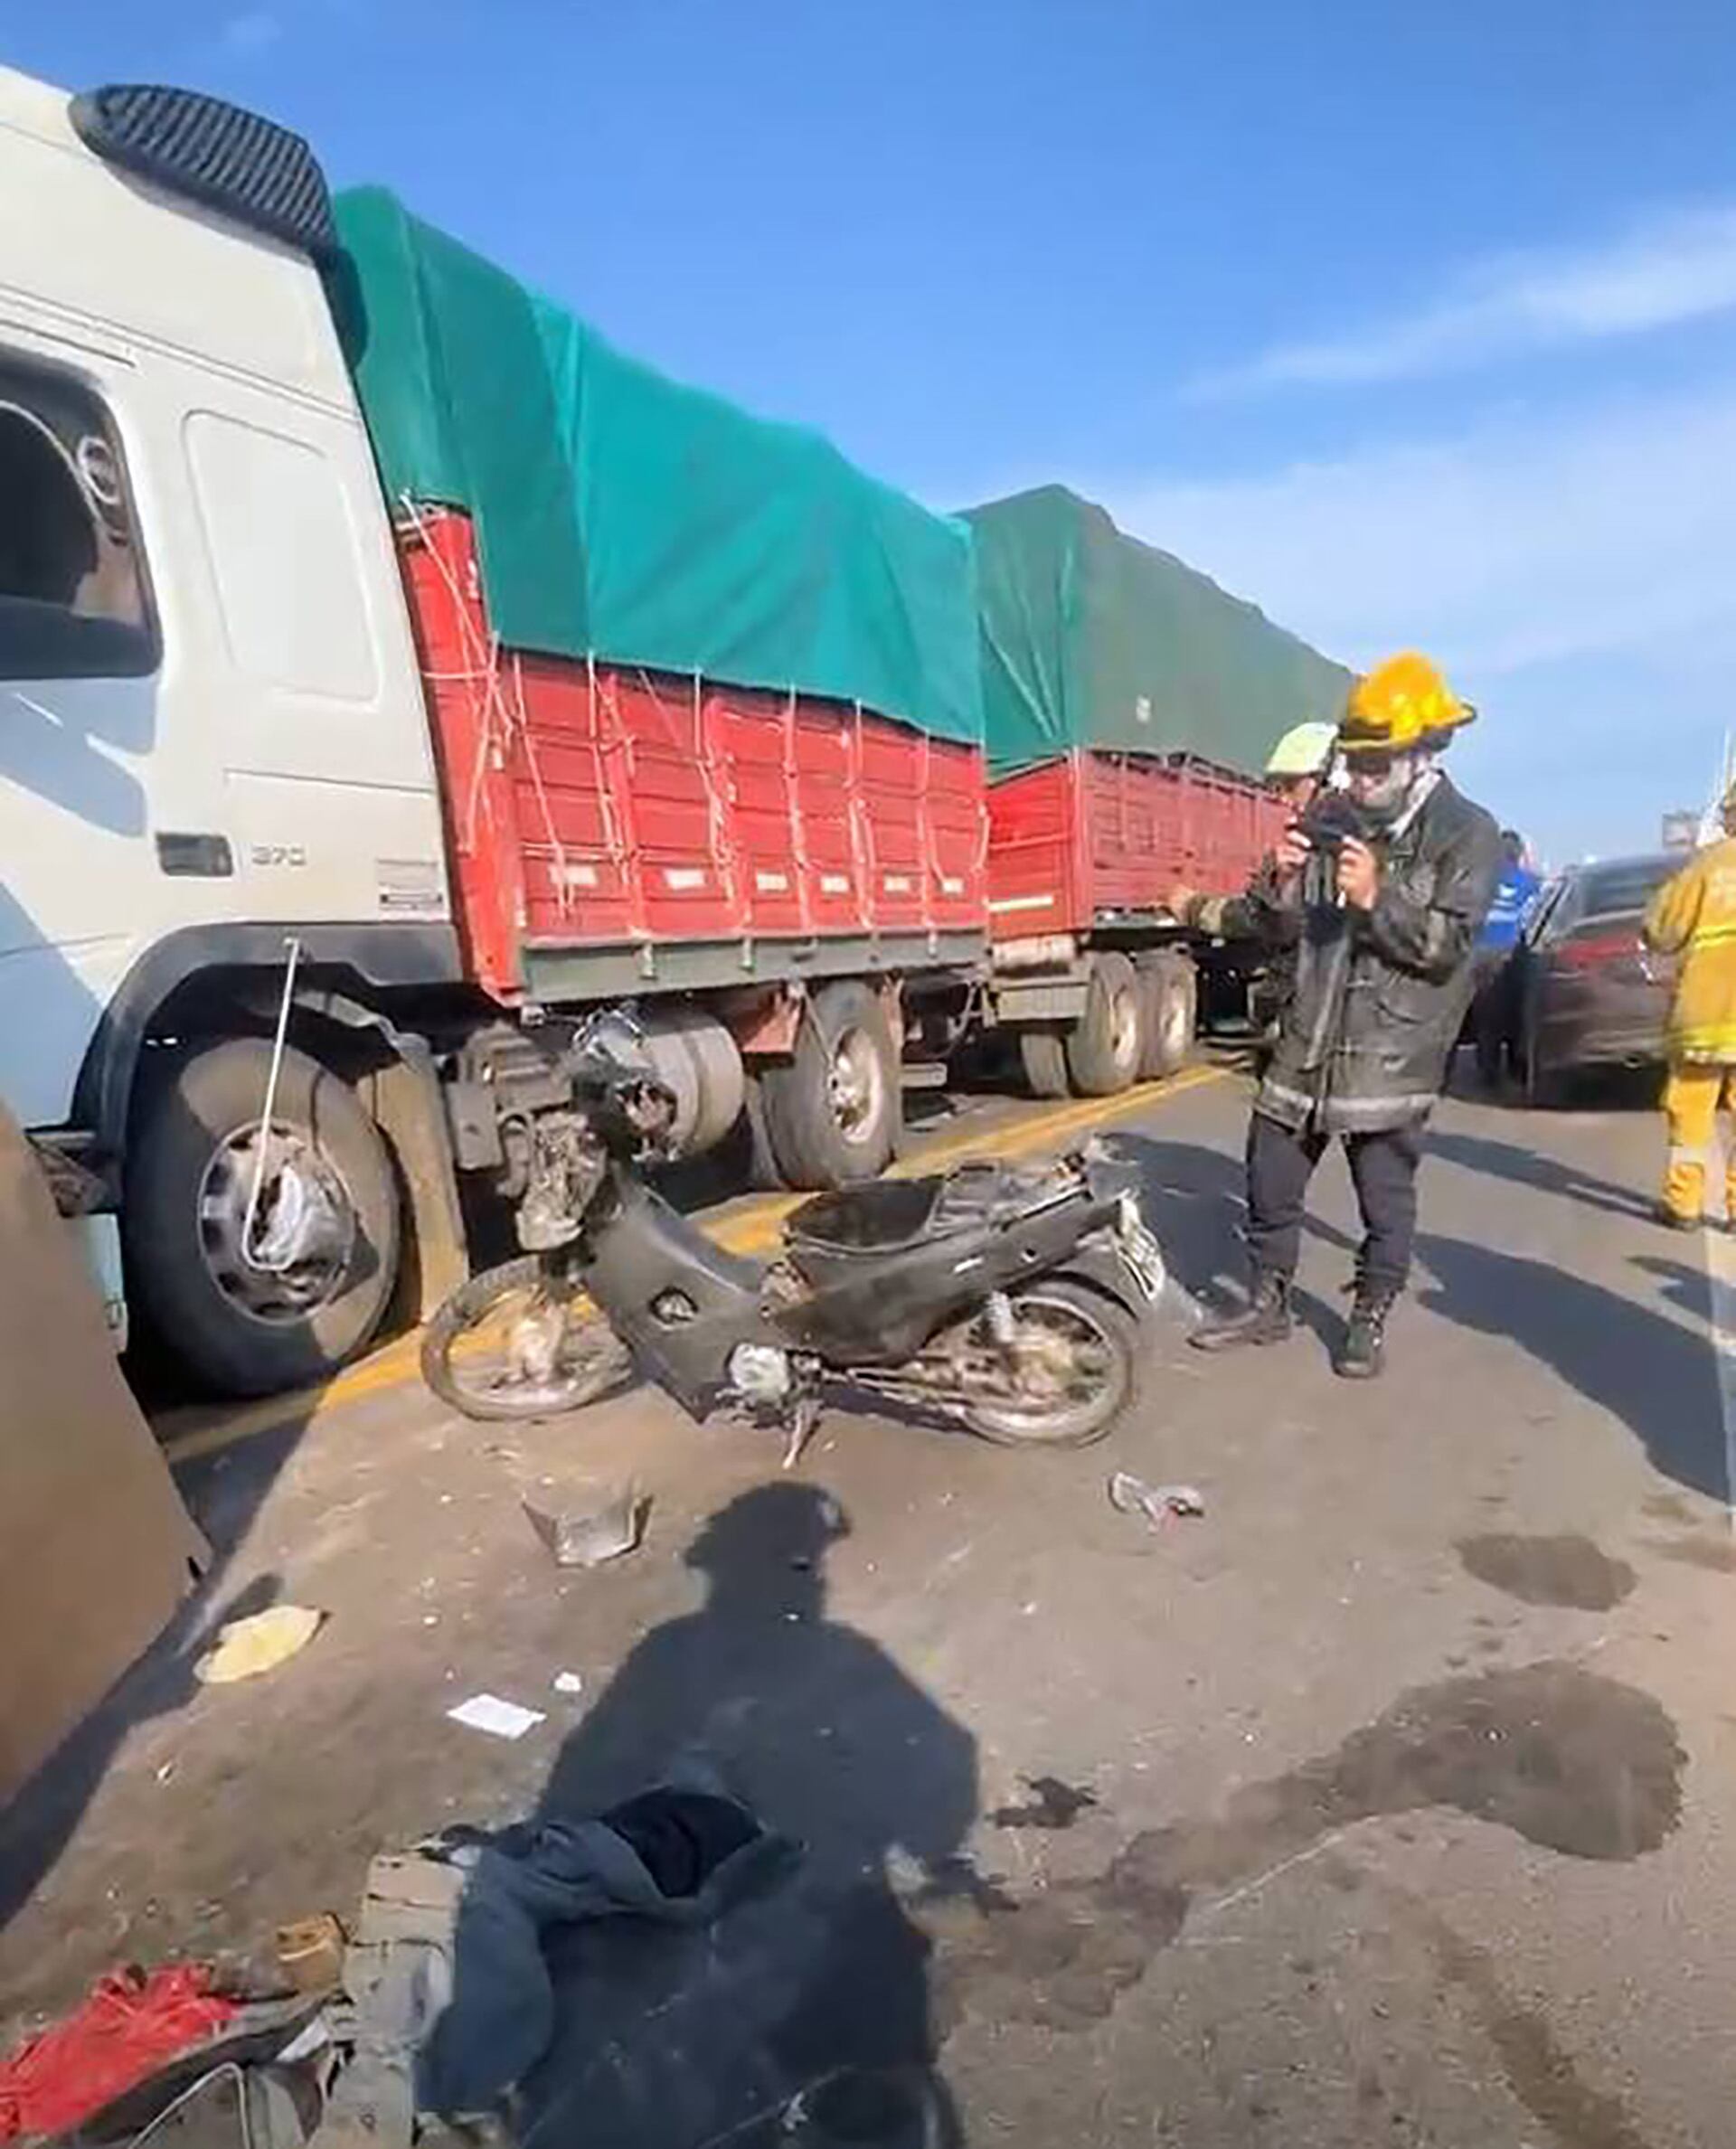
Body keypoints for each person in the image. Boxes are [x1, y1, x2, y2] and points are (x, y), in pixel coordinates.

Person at [1192, 652, 1502, 1379]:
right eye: (1354, 763)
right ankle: (1267, 1303)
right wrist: (1283, 880)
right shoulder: (1332, 817)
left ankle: (1368, 1318)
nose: (1360, 780)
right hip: (1306, 1037)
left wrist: (1378, 898)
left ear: (1422, 756)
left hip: (1390, 1055)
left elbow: (1450, 948)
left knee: (1384, 1202)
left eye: (1377, 765)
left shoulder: (1467, 833)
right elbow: (1277, 928)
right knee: (1270, 1177)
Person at [1169, 719, 1337, 1052]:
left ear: (1326, 779)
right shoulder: (1345, 841)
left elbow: (1265, 922)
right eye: (1278, 788)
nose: (1285, 799)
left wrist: (1193, 908)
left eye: (1291, 786)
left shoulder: (1323, 851)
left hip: (1316, 1024)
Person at [1642, 784, 1736, 1230]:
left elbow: (1662, 928)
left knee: (1691, 1109)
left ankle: (1683, 1204)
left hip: (1706, 1014)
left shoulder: (1708, 868)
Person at [1469, 829, 1541, 1087]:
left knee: (1488, 1017)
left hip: (1479, 952)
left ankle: (1488, 1072)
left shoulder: (1480, 880)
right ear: (1519, 854)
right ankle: (1516, 1066)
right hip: (1516, 953)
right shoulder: (1531, 883)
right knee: (1518, 1012)